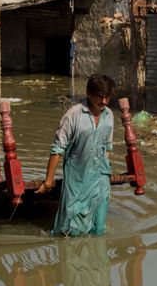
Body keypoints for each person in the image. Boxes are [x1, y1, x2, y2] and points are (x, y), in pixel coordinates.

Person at [36, 74, 116, 236]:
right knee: (70, 229)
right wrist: (49, 180)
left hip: (101, 180)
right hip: (77, 180)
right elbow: (58, 149)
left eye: (107, 97)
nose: (104, 101)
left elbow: (107, 146)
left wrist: (105, 171)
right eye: (100, 97)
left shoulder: (109, 116)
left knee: (99, 228)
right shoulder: (73, 115)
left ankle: (97, 260)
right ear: (88, 93)